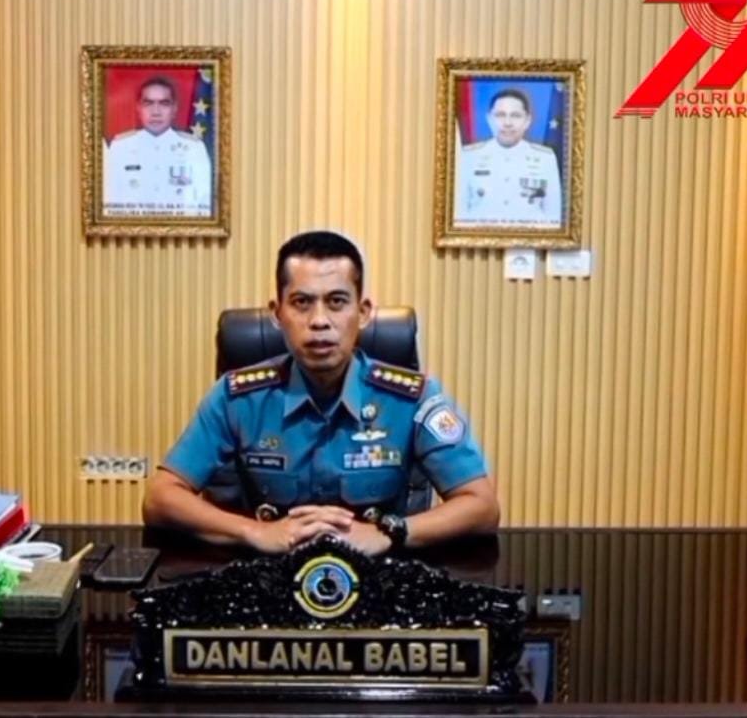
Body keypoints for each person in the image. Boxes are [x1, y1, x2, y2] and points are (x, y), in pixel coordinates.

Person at [143, 231, 500, 556]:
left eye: (337, 301)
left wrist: (387, 533)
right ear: (277, 313)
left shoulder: (412, 398)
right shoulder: (237, 397)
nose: (319, 321)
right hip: (267, 581)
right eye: (301, 302)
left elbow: (481, 507)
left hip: (377, 582)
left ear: (363, 313)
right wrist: (254, 531)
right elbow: (160, 498)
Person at [103, 76, 212, 217]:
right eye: (148, 103)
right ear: (138, 108)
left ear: (174, 109)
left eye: (164, 103)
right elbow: (109, 202)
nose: (156, 112)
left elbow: (205, 203)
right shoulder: (120, 148)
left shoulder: (194, 148)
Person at [454, 87, 563, 227]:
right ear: (489, 119)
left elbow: (553, 217)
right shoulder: (469, 156)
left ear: (527, 120)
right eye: (500, 115)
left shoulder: (545, 158)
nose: (507, 123)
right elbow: (459, 214)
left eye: (516, 115)